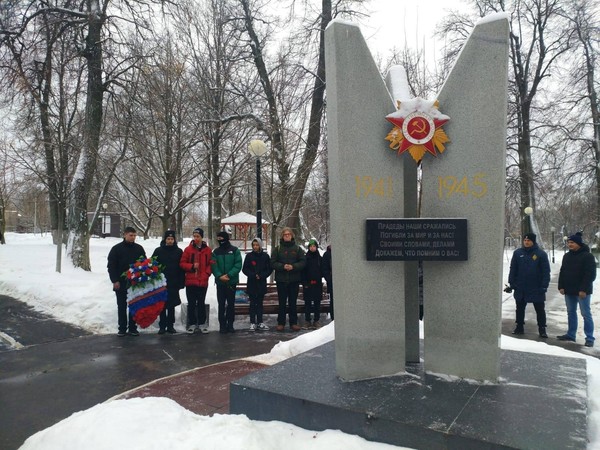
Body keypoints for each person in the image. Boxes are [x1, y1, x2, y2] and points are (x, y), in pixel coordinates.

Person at [506, 233, 551, 338]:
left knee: (539, 309)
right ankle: (519, 326)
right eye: (525, 240)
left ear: (533, 241)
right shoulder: (518, 253)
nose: (526, 242)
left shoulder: (541, 254)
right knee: (520, 308)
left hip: (536, 287)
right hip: (521, 286)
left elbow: (546, 271)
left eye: (529, 241)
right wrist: (512, 283)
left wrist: (544, 285)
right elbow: (513, 269)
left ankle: (542, 329)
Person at [557, 232, 597, 347]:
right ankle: (571, 334)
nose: (570, 244)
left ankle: (589, 337)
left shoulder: (587, 256)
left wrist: (583, 289)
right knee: (571, 312)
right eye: (568, 242)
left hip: (582, 292)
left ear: (578, 243)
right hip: (569, 290)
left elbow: (590, 275)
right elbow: (562, 271)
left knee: (585, 314)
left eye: (572, 242)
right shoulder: (567, 256)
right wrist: (561, 286)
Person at [107, 226, 146, 337]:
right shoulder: (116, 249)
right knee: (121, 306)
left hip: (135, 282)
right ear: (124, 235)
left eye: (134, 235)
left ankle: (133, 328)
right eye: (130, 235)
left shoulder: (139, 248)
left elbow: (144, 264)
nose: (133, 237)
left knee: (134, 305)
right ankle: (122, 328)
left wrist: (142, 277)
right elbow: (111, 266)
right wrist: (115, 280)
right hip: (120, 282)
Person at [271, 227, 306, 332]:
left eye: (288, 234)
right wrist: (282, 266)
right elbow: (272, 262)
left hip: (294, 280)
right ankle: (281, 323)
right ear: (282, 236)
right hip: (281, 280)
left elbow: (303, 262)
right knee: (282, 302)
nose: (287, 236)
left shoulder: (298, 249)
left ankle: (293, 323)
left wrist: (293, 266)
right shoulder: (277, 249)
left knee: (292, 302)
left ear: (292, 236)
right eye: (285, 234)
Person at [152, 230, 185, 334]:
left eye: (172, 239)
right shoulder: (158, 251)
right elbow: (152, 265)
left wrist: (181, 282)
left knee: (171, 305)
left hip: (174, 282)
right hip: (161, 282)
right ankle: (162, 326)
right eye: (168, 239)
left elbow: (181, 268)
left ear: (174, 240)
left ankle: (170, 325)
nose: (170, 241)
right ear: (165, 240)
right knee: (162, 304)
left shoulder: (179, 251)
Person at [180, 227, 212, 334]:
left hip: (203, 281)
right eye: (194, 236)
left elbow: (211, 264)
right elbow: (182, 263)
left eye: (198, 236)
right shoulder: (188, 250)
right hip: (191, 281)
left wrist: (206, 274)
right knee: (192, 303)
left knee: (201, 302)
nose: (196, 238)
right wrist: (192, 266)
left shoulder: (207, 250)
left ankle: (202, 323)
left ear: (202, 237)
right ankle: (192, 323)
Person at [211, 231, 242, 333]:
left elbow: (238, 265)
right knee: (221, 304)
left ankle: (230, 324)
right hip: (220, 283)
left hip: (231, 282)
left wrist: (229, 275)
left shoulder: (234, 250)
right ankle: (222, 325)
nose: (220, 240)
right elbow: (213, 266)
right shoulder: (215, 252)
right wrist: (219, 276)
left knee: (231, 304)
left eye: (221, 238)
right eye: (218, 239)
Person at [242, 237, 272, 331]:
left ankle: (260, 322)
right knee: (252, 304)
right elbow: (245, 269)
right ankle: (252, 322)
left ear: (260, 245)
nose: (255, 247)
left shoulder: (265, 256)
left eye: (257, 245)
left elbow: (269, 269)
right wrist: (253, 275)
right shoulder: (249, 256)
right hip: (252, 283)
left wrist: (262, 276)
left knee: (259, 303)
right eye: (254, 245)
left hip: (261, 283)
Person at [302, 239, 323, 329]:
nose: (312, 248)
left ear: (316, 247)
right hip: (308, 284)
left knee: (317, 303)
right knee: (308, 304)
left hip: (317, 284)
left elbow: (322, 270)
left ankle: (316, 320)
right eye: (310, 246)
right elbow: (302, 271)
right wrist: (304, 282)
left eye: (314, 246)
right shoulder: (305, 258)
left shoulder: (320, 258)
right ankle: (307, 320)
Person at [322, 244, 334, 320]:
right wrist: (329, 279)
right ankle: (334, 319)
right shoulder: (327, 254)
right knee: (333, 302)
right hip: (332, 283)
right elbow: (324, 269)